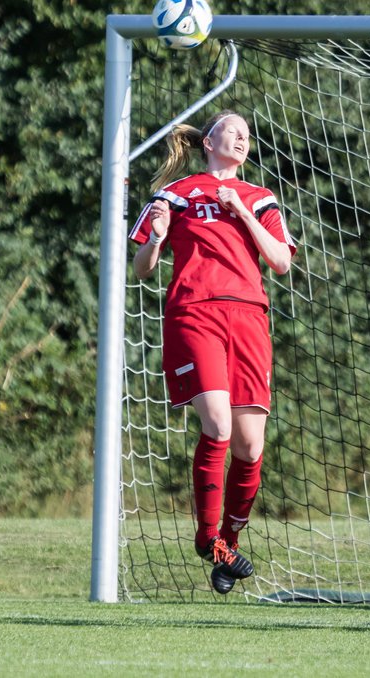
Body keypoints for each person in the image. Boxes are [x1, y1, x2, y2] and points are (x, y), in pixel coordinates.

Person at [130, 111, 296, 594]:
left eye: (247, 134)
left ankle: (228, 540)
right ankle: (208, 539)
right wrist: (159, 238)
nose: (242, 138)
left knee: (250, 447)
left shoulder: (259, 197)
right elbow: (141, 266)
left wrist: (242, 212)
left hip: (249, 318)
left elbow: (282, 261)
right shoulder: (175, 194)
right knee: (218, 425)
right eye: (233, 130)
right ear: (209, 140)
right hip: (195, 312)